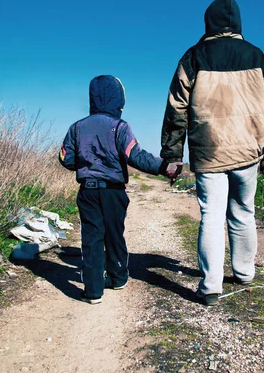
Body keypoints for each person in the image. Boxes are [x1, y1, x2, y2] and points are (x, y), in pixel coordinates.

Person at [160, 0, 264, 306]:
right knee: (244, 212)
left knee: (211, 215)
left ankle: (211, 285)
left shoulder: (193, 56)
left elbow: (176, 108)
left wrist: (172, 154)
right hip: (249, 150)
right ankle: (244, 273)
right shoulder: (258, 57)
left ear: (209, 22)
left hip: (209, 151)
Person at [60, 75, 181, 304]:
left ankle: (93, 291)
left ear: (92, 99)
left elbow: (66, 159)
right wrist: (164, 167)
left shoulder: (76, 128)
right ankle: (118, 278)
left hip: (87, 190)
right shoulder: (120, 128)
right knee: (115, 234)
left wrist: (87, 162)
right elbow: (135, 156)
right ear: (119, 100)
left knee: (92, 237)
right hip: (114, 191)